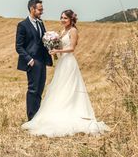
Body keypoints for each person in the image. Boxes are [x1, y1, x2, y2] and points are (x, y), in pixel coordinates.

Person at [21, 9, 109, 137]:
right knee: (58, 87)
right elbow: (60, 45)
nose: (62, 20)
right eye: (61, 17)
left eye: (65, 18)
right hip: (62, 63)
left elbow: (72, 48)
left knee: (69, 87)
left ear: (71, 20)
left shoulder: (73, 31)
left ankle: (70, 110)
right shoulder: (62, 31)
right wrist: (51, 46)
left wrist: (57, 52)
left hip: (69, 62)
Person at [15, 0, 53, 121]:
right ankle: (31, 118)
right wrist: (29, 59)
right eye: (40, 9)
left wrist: (52, 44)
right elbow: (19, 46)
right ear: (32, 9)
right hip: (32, 62)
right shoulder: (22, 25)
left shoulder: (40, 23)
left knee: (40, 89)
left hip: (42, 60)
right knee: (33, 89)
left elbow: (43, 39)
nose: (42, 11)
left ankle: (38, 115)